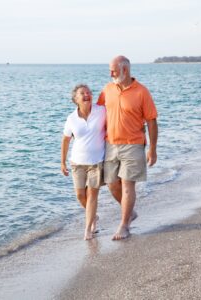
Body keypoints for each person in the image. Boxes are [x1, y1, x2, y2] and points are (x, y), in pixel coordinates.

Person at [97, 55, 158, 240]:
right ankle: (129, 212)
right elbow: (96, 114)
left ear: (125, 69)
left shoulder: (142, 92)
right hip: (110, 144)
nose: (110, 74)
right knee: (111, 183)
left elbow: (151, 122)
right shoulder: (108, 89)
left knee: (127, 185)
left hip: (133, 144)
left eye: (113, 70)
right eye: (110, 70)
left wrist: (152, 149)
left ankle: (124, 225)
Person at [61, 84, 106, 240]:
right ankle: (94, 216)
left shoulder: (101, 111)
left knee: (92, 194)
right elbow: (66, 140)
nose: (87, 95)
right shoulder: (71, 118)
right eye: (82, 93)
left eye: (89, 92)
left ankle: (88, 229)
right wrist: (62, 162)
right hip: (77, 162)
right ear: (76, 99)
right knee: (80, 195)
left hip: (96, 161)